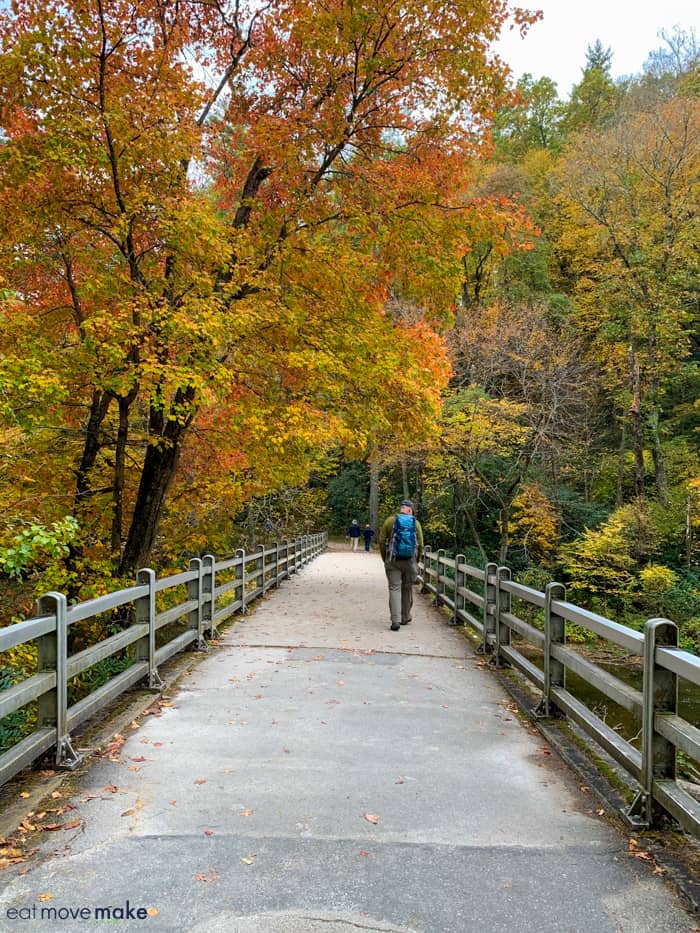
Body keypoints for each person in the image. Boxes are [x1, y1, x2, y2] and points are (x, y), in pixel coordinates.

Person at [378, 499, 424, 631]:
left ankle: (395, 621)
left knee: (394, 589)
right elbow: (420, 544)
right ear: (410, 510)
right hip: (410, 561)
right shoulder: (416, 523)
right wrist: (417, 560)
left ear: (401, 508)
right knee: (407, 588)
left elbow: (381, 541)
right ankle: (405, 617)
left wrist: (385, 558)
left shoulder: (389, 521)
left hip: (393, 560)